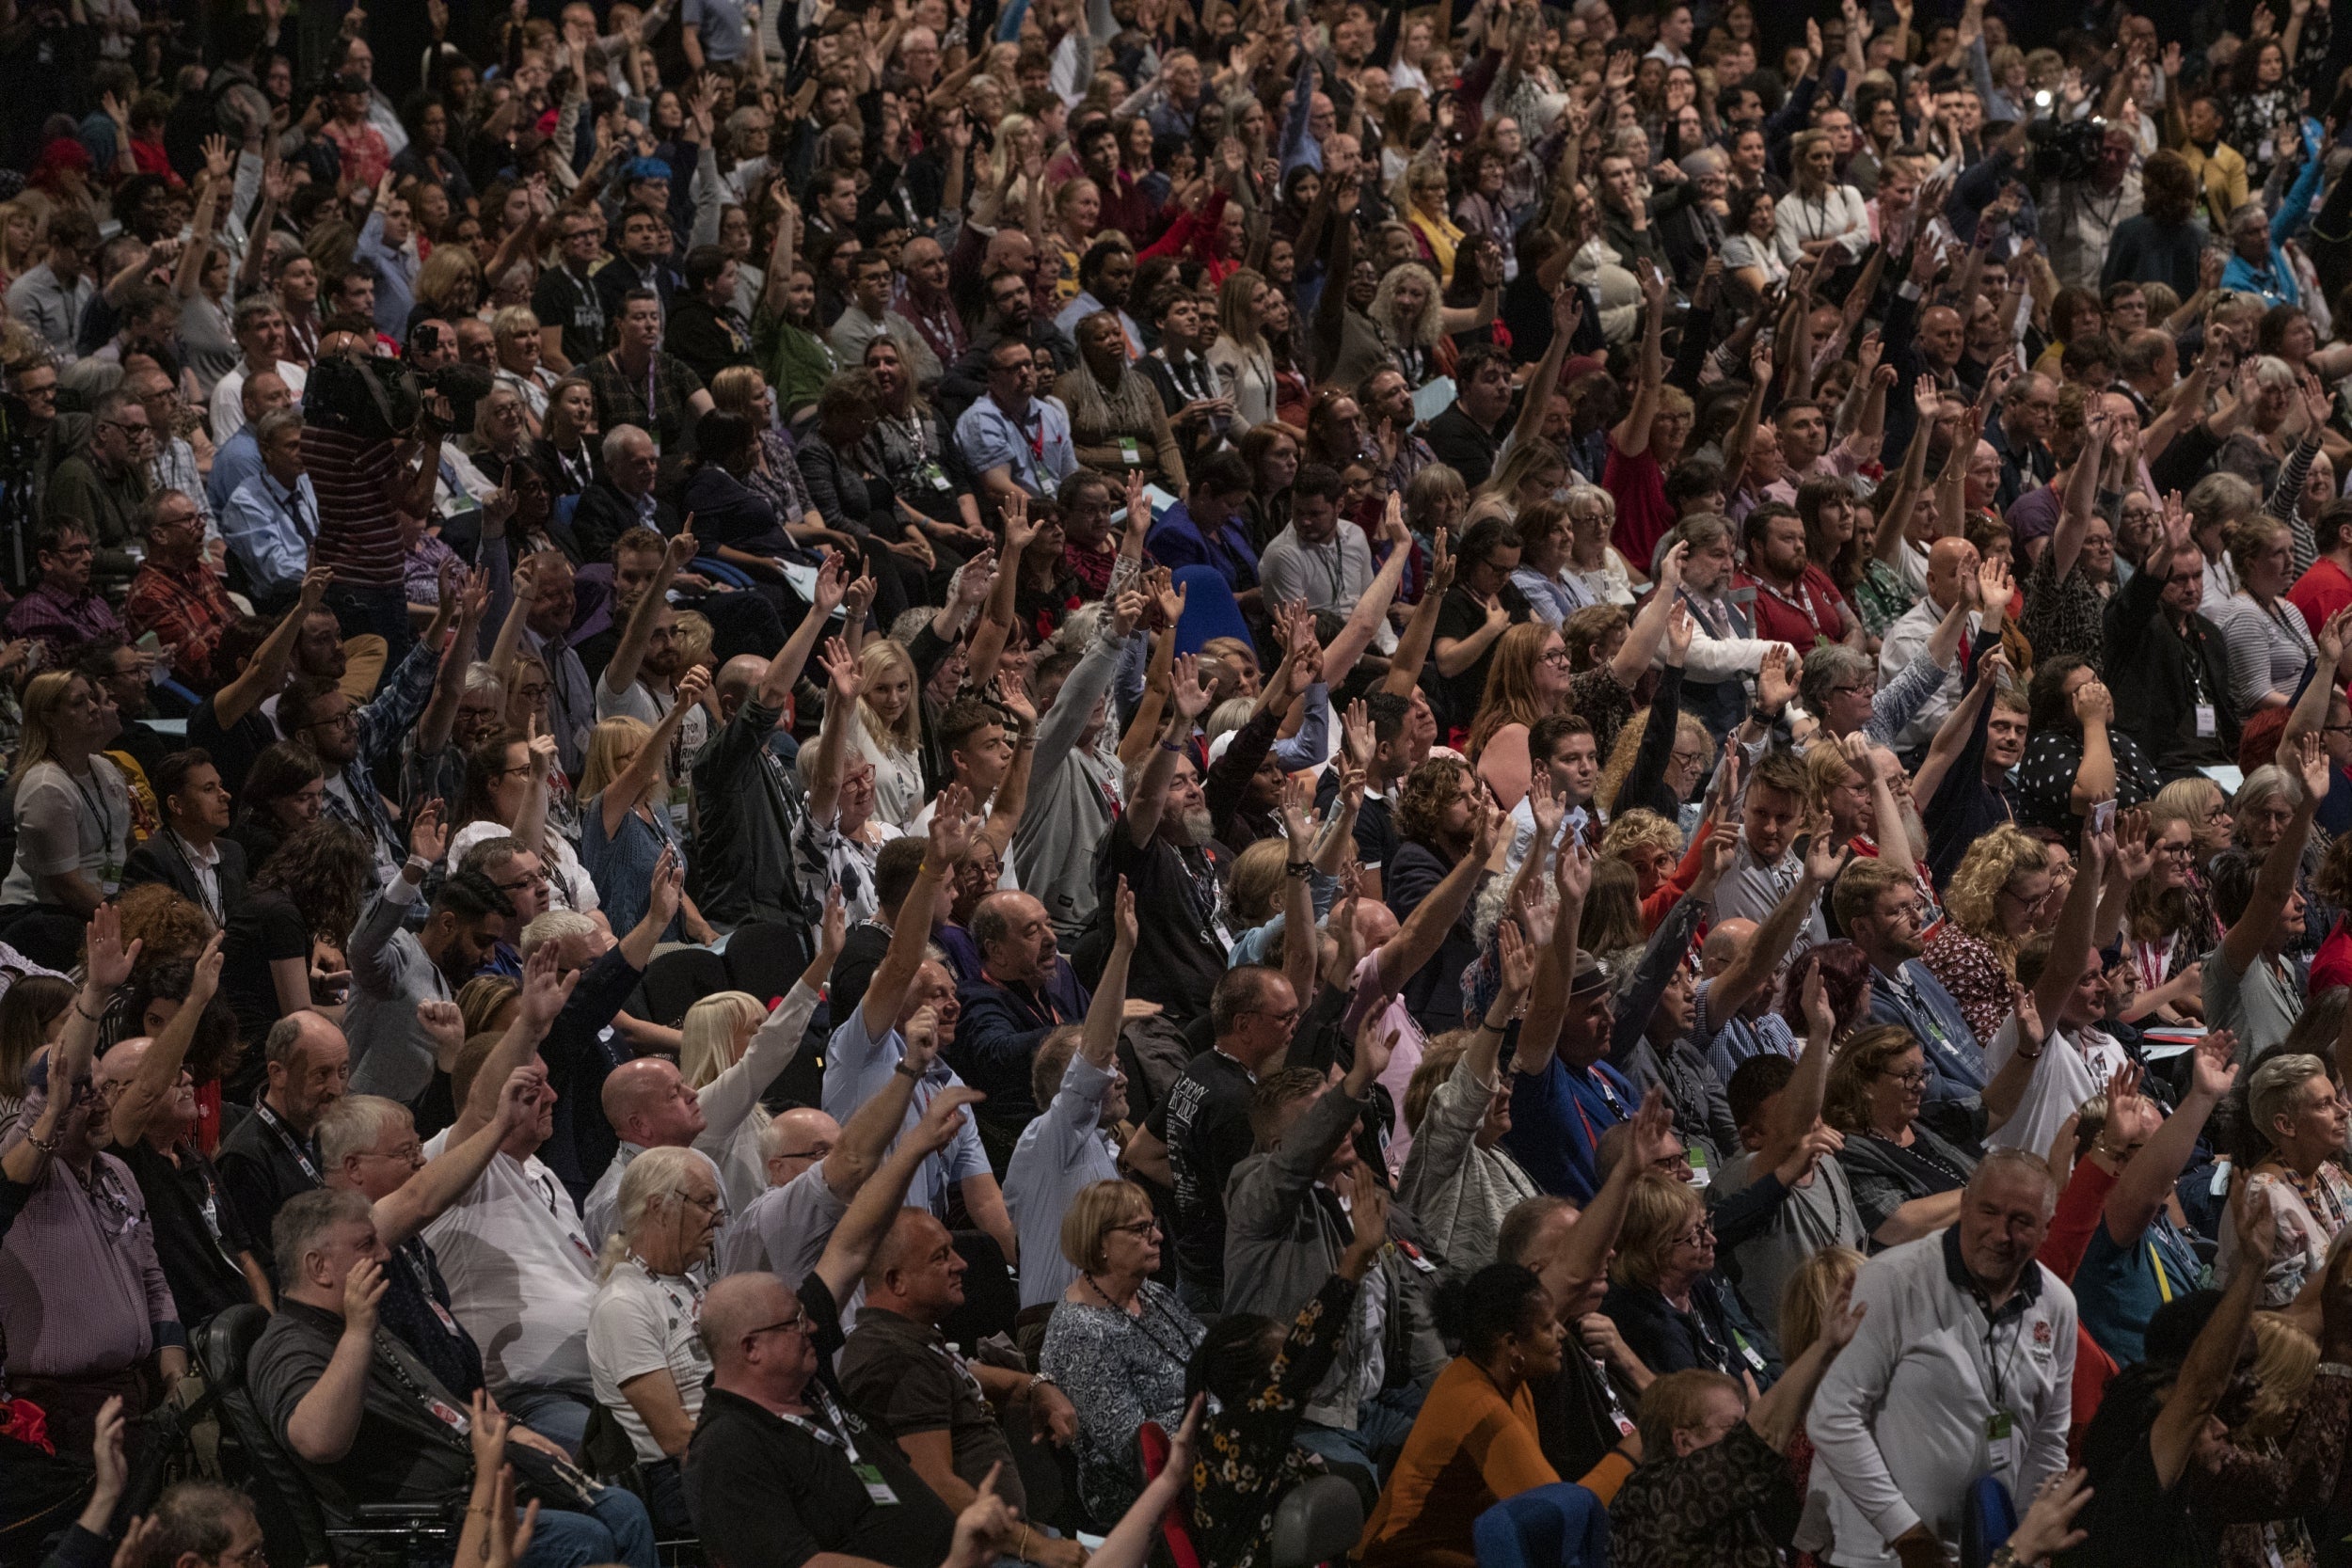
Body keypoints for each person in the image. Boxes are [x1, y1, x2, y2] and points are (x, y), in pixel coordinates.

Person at [247, 1186, 659, 1568]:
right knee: (586, 1540)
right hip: (417, 1531)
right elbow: (317, 1441)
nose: (385, 1255)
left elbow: (429, 1400)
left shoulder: (359, 1322)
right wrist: (357, 1334)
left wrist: (508, 1429)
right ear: (319, 1267)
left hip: (470, 1487)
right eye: (365, 1245)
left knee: (625, 1513)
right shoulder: (287, 1345)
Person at [680, 1084, 996, 1568]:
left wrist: (913, 1146)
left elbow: (852, 1247)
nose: (813, 1330)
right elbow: (801, 1565)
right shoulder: (729, 1450)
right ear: (751, 1349)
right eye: (794, 1325)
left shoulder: (804, 1382)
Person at [1805, 1150, 2078, 1568]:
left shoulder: (2057, 1305)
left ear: (2047, 1228)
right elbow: (1833, 1417)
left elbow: (2046, 1439)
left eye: (2021, 1221)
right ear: (1965, 1204)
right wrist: (1907, 1534)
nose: (2000, 1234)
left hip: (1989, 1552)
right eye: (1988, 1211)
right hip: (1881, 1554)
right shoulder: (1891, 1280)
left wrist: (2026, 1543)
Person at [835, 1205, 1083, 1564]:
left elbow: (963, 1376)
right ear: (896, 1282)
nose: (961, 1264)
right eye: (941, 1256)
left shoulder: (904, 1340)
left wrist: (1033, 1385)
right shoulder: (895, 1359)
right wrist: (1038, 1547)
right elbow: (935, 1484)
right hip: (985, 1554)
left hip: (1007, 1542)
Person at [1357, 1261, 1629, 1567]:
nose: (1562, 1332)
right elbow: (1558, 1518)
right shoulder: (1480, 1408)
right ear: (1512, 1344)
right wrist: (1633, 1452)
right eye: (1547, 1327)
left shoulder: (1509, 1382)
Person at [1040, 1178, 1209, 1522]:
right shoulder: (1082, 1332)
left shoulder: (1152, 1294)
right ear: (1101, 1242)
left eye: (1154, 1224)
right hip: (1139, 1493)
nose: (1158, 1236)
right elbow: (1134, 1448)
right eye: (1140, 1229)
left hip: (1203, 1452)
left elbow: (1212, 1360)